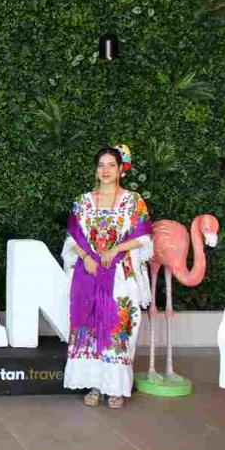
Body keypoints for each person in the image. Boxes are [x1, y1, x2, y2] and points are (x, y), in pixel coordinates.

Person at [62, 145, 153, 408]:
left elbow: (143, 237)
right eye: (101, 165)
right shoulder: (82, 202)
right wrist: (86, 257)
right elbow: (72, 239)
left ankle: (116, 388)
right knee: (90, 328)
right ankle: (94, 384)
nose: (105, 170)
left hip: (121, 274)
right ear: (95, 170)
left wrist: (116, 249)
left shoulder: (133, 201)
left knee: (119, 328)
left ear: (121, 169)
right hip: (89, 274)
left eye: (111, 165)